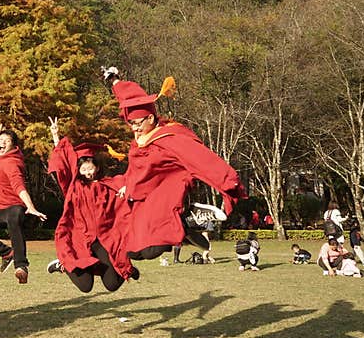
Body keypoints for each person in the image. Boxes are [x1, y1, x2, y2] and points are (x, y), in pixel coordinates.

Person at [103, 67, 247, 264]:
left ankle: (186, 218)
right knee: (134, 251)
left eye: (137, 123)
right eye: (130, 124)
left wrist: (228, 181)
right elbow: (129, 97)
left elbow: (201, 158)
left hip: (167, 191)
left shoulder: (169, 138)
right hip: (142, 195)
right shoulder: (141, 139)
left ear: (151, 118)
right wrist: (115, 81)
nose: (134, 128)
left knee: (152, 249)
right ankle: (185, 227)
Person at [44, 117, 137, 293]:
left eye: (90, 168)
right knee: (86, 286)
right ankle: (63, 264)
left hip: (104, 239)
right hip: (79, 237)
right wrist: (56, 138)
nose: (87, 172)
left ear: (97, 167)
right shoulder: (74, 187)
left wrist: (126, 188)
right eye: (83, 169)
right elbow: (64, 165)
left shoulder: (107, 185)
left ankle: (123, 269)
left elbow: (129, 182)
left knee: (112, 284)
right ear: (78, 170)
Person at [0, 124, 47, 284]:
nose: (2, 143)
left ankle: (21, 266)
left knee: (14, 223)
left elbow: (19, 186)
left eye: (7, 141)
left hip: (14, 206)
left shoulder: (12, 163)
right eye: (1, 140)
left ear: (14, 146)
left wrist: (30, 207)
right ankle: (6, 253)